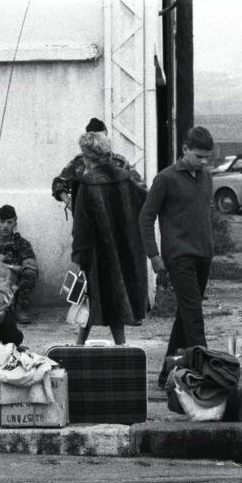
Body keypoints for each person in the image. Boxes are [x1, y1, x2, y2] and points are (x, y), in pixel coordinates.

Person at [139, 126, 215, 387]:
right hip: (179, 256)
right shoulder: (165, 179)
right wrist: (154, 255)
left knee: (186, 314)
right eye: (198, 156)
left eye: (207, 158)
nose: (203, 162)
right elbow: (145, 218)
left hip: (203, 255)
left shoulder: (206, 177)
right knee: (194, 318)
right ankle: (209, 375)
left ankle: (166, 374)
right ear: (184, 149)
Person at [71, 131, 147, 345]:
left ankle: (79, 346)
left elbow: (81, 227)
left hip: (97, 253)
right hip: (125, 249)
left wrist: (78, 257)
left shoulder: (87, 184)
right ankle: (121, 345)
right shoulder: (126, 177)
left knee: (88, 298)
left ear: (86, 156)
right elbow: (145, 201)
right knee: (116, 299)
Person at [51, 117, 144, 214]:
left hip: (114, 218)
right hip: (86, 218)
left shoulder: (119, 162)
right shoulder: (79, 162)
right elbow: (58, 183)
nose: (104, 143)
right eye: (99, 139)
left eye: (105, 138)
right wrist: (71, 204)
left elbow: (141, 187)